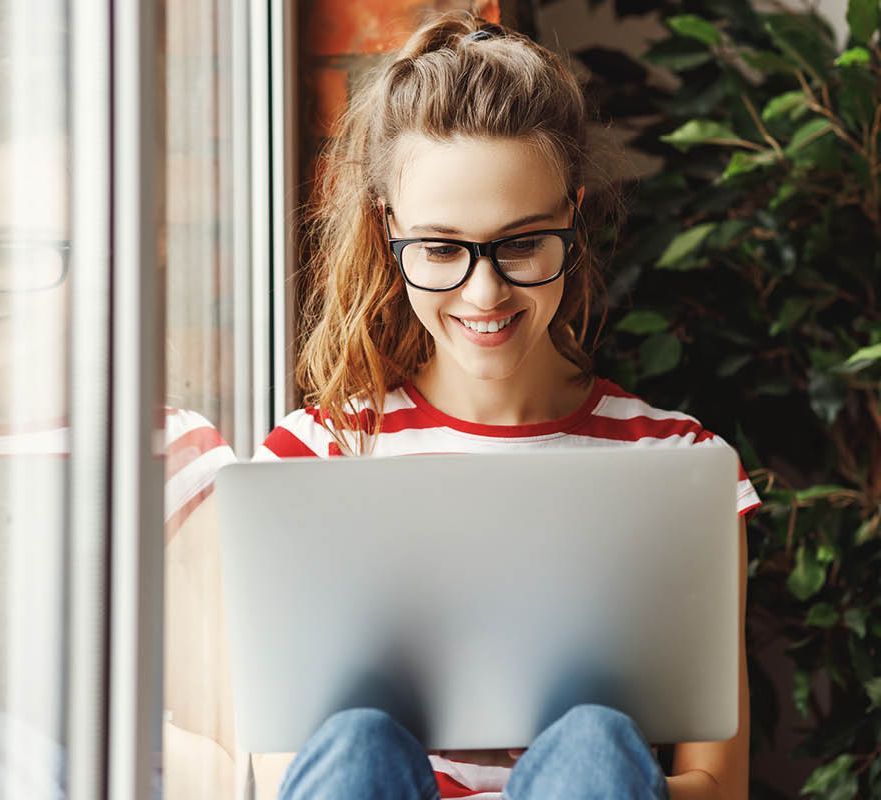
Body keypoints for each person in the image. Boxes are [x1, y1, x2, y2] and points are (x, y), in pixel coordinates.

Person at [254, 12, 760, 800]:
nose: (483, 293)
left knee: (595, 741)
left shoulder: (680, 468)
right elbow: (277, 765)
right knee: (356, 743)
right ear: (390, 228)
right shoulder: (313, 458)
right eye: (441, 248)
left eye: (522, 242)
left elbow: (717, 785)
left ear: (574, 215)